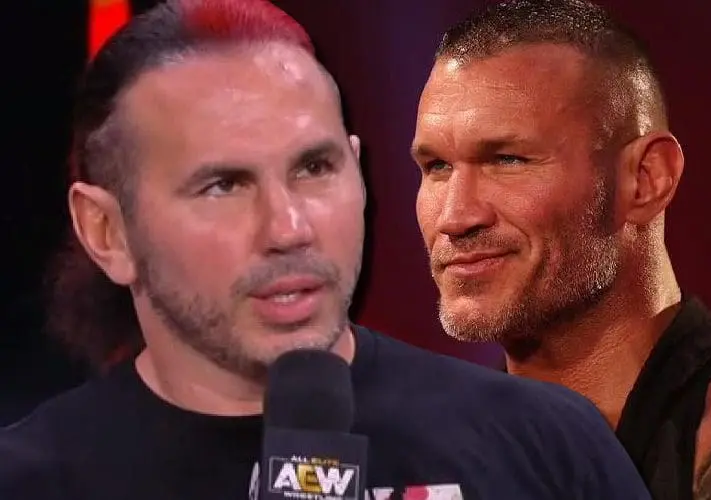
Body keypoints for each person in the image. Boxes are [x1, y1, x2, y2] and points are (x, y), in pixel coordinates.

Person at [0, 0, 651, 499]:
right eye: (223, 185)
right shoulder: (30, 479)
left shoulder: (544, 445)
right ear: (107, 232)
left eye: (314, 168)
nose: (289, 228)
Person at [411, 0, 711, 499]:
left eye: (508, 159)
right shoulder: (445, 446)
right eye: (437, 167)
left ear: (645, 179)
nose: (454, 217)